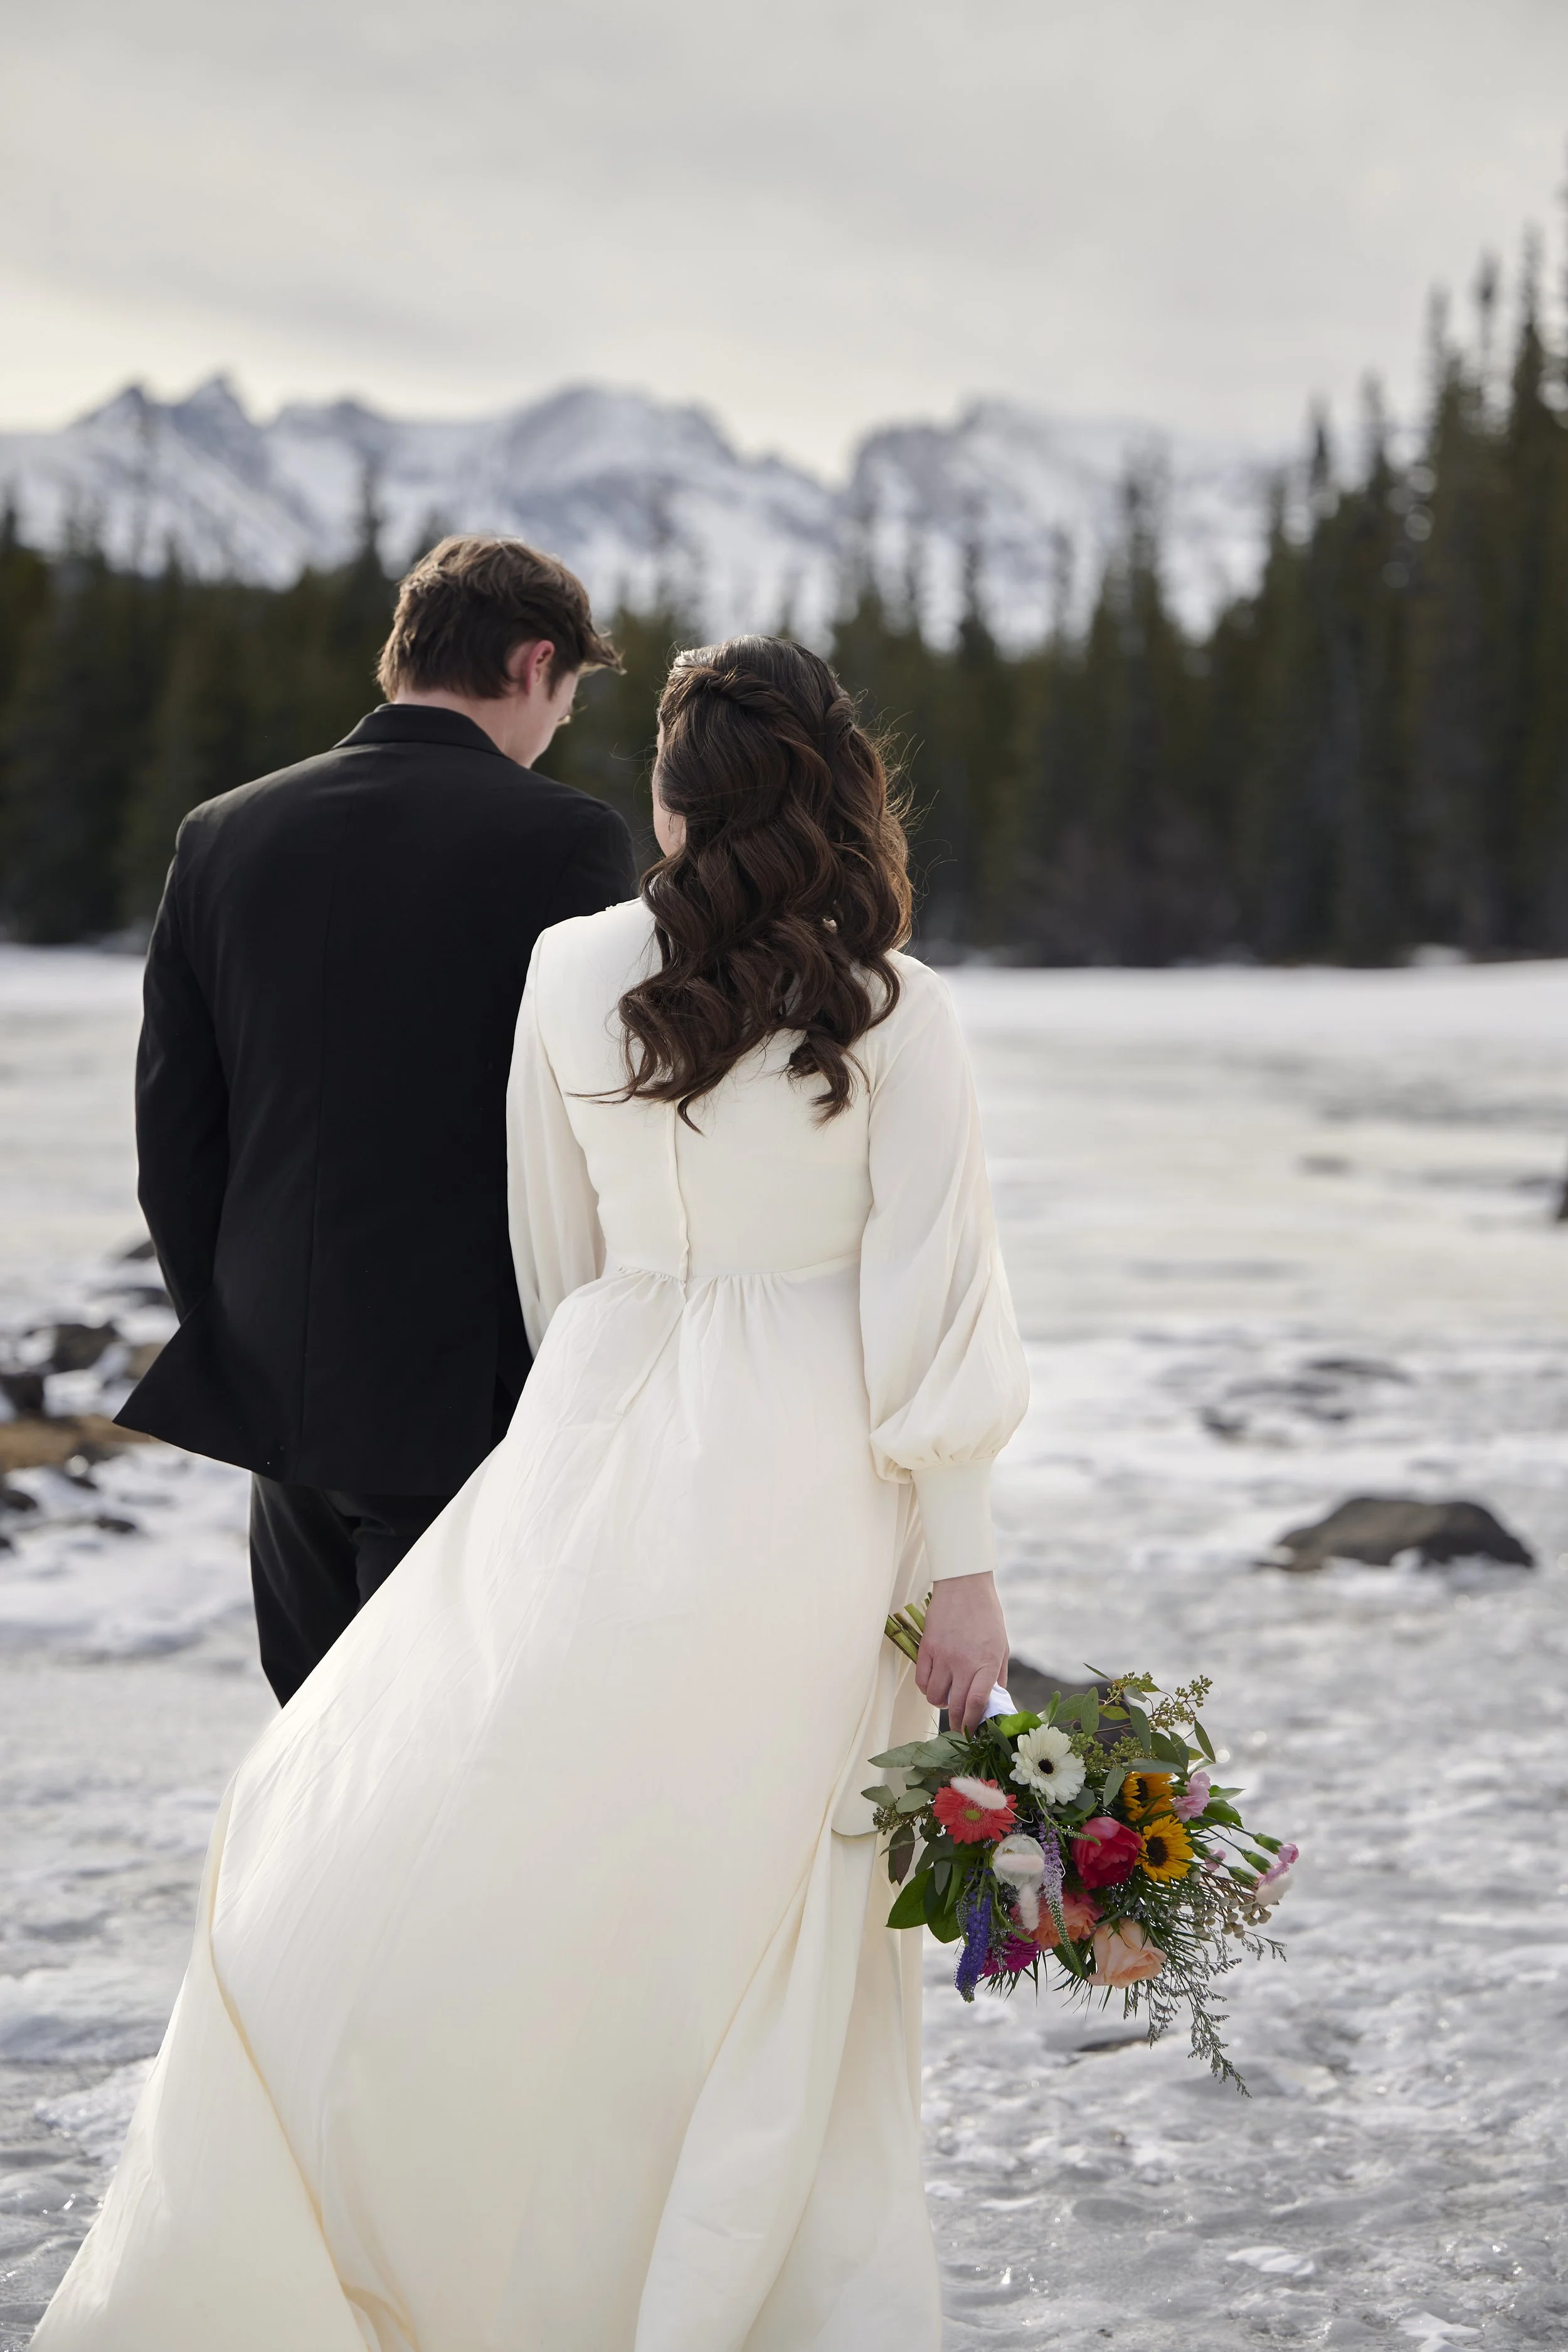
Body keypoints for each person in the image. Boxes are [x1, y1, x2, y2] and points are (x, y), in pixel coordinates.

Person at [38, 636, 1029, 2351]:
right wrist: (960, 1566)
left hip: (598, 1418)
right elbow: (933, 1307)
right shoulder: (894, 1003)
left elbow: (548, 1241)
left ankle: (477, 2227)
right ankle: (729, 2277)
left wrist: (598, 1409)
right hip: (812, 1464)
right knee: (765, 1892)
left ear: (669, 792)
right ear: (836, 790)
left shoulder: (575, 971)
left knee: (564, 1839)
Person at [115, 536, 637, 1702]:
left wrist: (249, 1332)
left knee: (311, 1756)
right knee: (439, 1771)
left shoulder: (220, 834)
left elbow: (175, 1146)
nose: (555, 724)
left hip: (283, 1405)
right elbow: (605, 1127)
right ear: (533, 660)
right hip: (476, 1398)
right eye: (566, 694)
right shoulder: (567, 841)